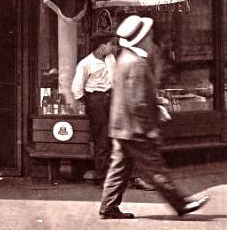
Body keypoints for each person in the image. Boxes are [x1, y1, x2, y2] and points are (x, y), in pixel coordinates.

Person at [99, 15, 210, 219]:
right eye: (148, 34)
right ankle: (181, 205)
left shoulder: (124, 59)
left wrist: (155, 102)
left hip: (121, 125)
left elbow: (131, 95)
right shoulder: (137, 64)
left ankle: (108, 207)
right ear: (141, 38)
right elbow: (138, 101)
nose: (151, 37)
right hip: (136, 128)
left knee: (120, 167)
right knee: (155, 168)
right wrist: (150, 130)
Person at [72, 29, 117, 182]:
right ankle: (102, 174)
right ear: (101, 46)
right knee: (102, 137)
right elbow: (76, 88)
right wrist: (90, 102)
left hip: (111, 97)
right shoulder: (85, 64)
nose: (113, 47)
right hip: (96, 99)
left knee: (114, 134)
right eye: (111, 44)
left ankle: (113, 173)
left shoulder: (111, 58)